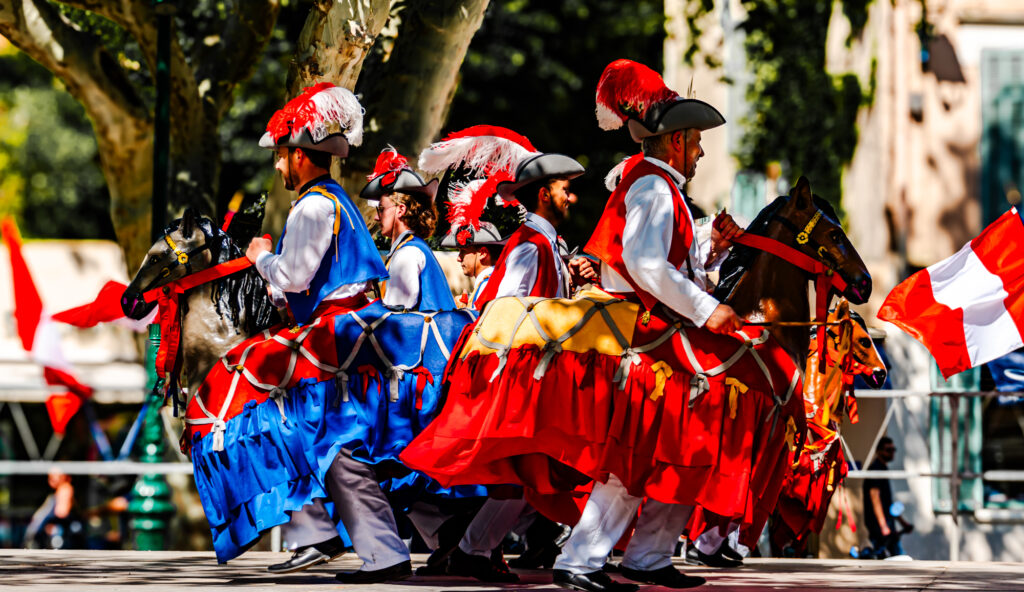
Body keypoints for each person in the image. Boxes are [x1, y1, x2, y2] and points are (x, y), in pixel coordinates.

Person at [549, 59, 745, 592]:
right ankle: (583, 560)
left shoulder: (658, 186)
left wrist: (710, 246)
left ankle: (649, 555)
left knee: (682, 446)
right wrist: (709, 310)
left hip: (654, 339)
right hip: (648, 343)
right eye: (697, 142)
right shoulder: (656, 188)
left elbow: (664, 261)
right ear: (676, 141)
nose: (702, 152)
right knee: (638, 452)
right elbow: (645, 264)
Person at [246, 83, 411, 584]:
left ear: (299, 156)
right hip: (343, 336)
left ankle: (371, 549)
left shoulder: (313, 206)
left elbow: (294, 277)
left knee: (330, 442)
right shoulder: (331, 200)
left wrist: (259, 258)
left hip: (334, 343)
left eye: (280, 156)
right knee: (310, 438)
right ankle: (320, 532)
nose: (277, 167)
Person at [446, 152, 591, 583]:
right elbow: (508, 307)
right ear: (545, 194)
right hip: (523, 376)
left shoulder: (544, 243)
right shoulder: (530, 245)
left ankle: (478, 548)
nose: (574, 198)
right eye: (567, 189)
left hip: (537, 375)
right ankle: (472, 548)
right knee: (525, 471)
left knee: (536, 471)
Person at [360, 147, 452, 312]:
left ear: (400, 210)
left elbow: (394, 321)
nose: (376, 217)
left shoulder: (407, 253)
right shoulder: (412, 248)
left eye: (381, 209)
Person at [863, 437, 913, 557]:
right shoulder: (876, 469)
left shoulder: (882, 468)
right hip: (878, 527)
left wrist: (903, 522)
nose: (892, 452)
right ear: (879, 451)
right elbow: (875, 497)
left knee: (895, 557)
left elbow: (887, 503)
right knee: (895, 557)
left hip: (886, 525)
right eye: (888, 450)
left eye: (893, 449)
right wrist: (883, 526)